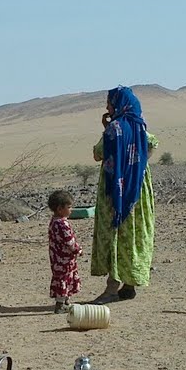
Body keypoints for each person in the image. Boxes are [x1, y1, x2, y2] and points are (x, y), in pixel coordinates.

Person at [90, 86, 157, 304]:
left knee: (115, 236)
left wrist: (106, 128)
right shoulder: (141, 129)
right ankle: (129, 286)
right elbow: (152, 147)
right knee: (134, 236)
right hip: (138, 190)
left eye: (110, 102)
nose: (107, 106)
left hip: (115, 193)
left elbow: (97, 154)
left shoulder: (114, 130)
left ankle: (111, 289)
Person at [46, 189, 82, 312]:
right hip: (63, 259)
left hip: (57, 258)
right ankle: (60, 305)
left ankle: (65, 301)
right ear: (60, 209)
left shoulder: (54, 221)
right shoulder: (62, 224)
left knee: (65, 279)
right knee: (63, 279)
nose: (71, 210)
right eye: (69, 207)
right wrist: (78, 250)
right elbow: (69, 242)